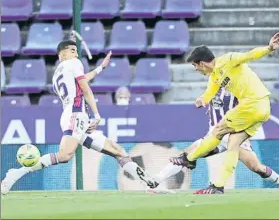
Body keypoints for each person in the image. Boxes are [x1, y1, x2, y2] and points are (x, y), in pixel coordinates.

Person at [1, 40, 159, 194]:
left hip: (74, 116)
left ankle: (149, 183)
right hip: (76, 115)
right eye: (72, 51)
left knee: (117, 150)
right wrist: (96, 115)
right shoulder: (74, 64)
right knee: (64, 155)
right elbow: (84, 87)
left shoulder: (57, 74)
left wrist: (100, 68)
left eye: (76, 51)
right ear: (62, 54)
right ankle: (17, 173)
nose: (76, 54)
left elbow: (80, 81)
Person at [171, 32, 279, 194]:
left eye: (194, 65)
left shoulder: (228, 60)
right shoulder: (214, 76)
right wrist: (202, 100)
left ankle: (188, 159)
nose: (195, 69)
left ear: (201, 63)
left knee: (218, 131)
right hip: (262, 107)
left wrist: (269, 48)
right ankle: (218, 186)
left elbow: (249, 55)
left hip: (253, 103)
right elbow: (209, 93)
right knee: (233, 143)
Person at [150, 88, 279, 193]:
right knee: (186, 156)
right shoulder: (213, 87)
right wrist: (202, 100)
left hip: (234, 136)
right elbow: (209, 101)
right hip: (214, 136)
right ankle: (157, 180)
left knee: (256, 167)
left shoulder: (240, 90)